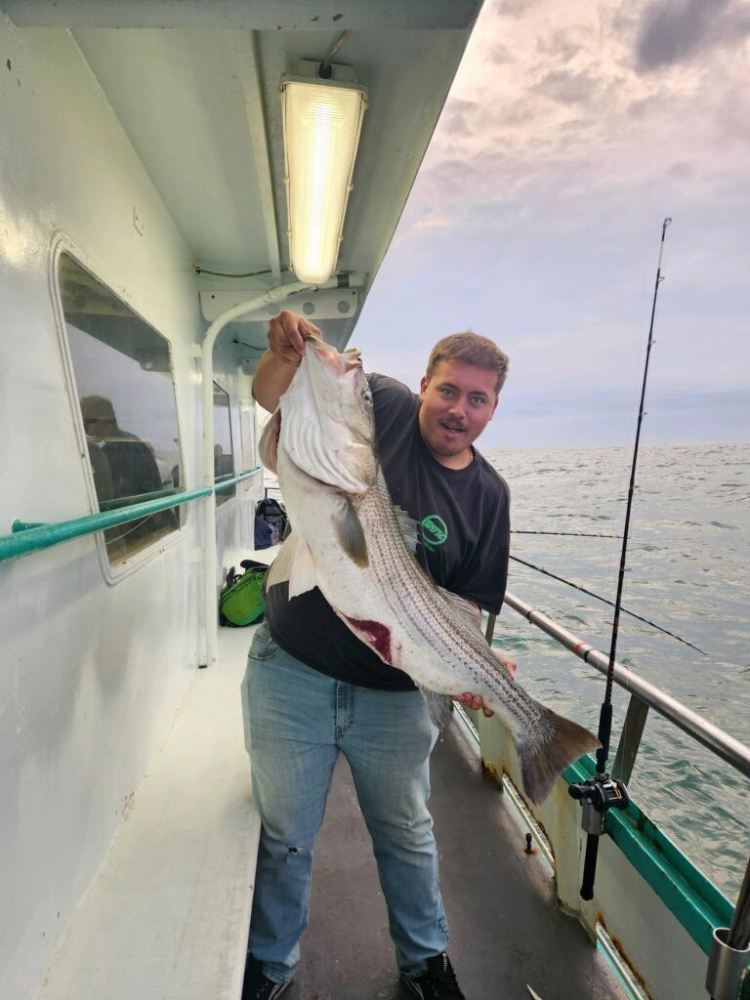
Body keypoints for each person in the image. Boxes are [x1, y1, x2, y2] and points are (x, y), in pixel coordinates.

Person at [242, 311, 514, 1000]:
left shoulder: (489, 497)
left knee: (407, 836)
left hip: (396, 697)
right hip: (292, 669)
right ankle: (271, 969)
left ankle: (426, 964)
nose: (459, 410)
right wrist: (282, 354)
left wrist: (475, 667)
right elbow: (271, 397)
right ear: (424, 385)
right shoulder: (379, 404)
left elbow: (470, 604)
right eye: (449, 390)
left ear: (493, 407)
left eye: (477, 398)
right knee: (285, 838)